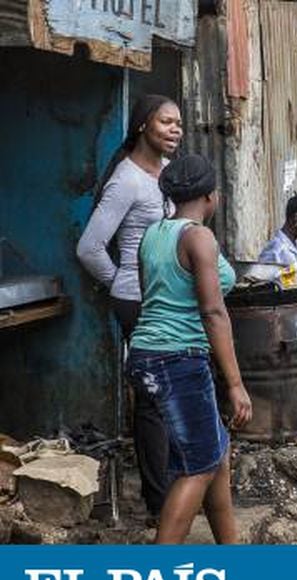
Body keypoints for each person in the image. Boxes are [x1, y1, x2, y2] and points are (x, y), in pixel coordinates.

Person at [125, 155, 251, 544]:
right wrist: (235, 384)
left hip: (146, 352)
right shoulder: (199, 237)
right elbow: (213, 311)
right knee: (197, 466)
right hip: (177, 359)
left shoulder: (153, 234)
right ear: (212, 196)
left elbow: (150, 297)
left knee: (216, 453)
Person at [76, 94, 182, 522]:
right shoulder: (127, 180)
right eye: (166, 123)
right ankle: (159, 505)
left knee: (171, 395)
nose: (175, 130)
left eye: (178, 123)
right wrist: (121, 280)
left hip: (164, 299)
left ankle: (172, 492)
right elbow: (88, 247)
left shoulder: (167, 173)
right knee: (154, 401)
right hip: (137, 300)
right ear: (142, 126)